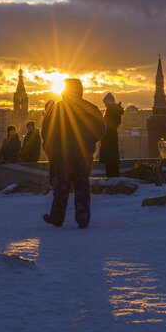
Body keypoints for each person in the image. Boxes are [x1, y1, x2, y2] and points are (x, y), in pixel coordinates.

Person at [41, 79, 105, 228]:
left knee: (62, 185)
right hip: (83, 153)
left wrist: (54, 145)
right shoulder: (90, 108)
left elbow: (46, 131)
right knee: (82, 184)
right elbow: (101, 130)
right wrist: (89, 142)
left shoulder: (58, 108)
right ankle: (82, 218)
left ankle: (57, 217)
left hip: (63, 154)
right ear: (80, 90)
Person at [99, 92, 124, 178]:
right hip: (111, 137)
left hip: (108, 138)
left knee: (109, 159)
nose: (105, 105)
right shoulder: (115, 111)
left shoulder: (110, 111)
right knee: (112, 159)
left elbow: (107, 124)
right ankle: (113, 176)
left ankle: (111, 177)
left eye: (105, 103)